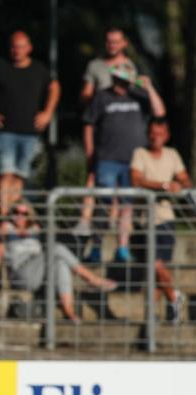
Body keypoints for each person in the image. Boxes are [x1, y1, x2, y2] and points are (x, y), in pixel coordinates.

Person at [0, 31, 60, 215]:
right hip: (5, 130)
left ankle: (13, 215)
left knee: (20, 175)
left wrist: (48, 112)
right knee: (5, 173)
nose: (18, 50)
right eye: (15, 47)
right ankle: (3, 216)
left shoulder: (38, 69)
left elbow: (55, 87)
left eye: (21, 47)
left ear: (29, 48)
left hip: (30, 131)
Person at [83, 66, 165, 263]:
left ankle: (122, 247)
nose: (122, 84)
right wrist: (90, 154)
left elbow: (160, 112)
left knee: (127, 206)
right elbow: (88, 125)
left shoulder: (139, 95)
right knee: (104, 204)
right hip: (107, 158)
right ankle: (96, 247)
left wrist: (149, 87)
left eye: (125, 80)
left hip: (133, 161)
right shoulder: (102, 97)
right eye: (118, 80)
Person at [0, 201, 116, 324]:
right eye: (16, 212)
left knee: (60, 262)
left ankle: (68, 311)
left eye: (24, 213)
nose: (20, 216)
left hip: (37, 274)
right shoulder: (5, 229)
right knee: (56, 248)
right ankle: (91, 278)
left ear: (29, 215)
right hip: (20, 275)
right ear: (10, 214)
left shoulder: (35, 229)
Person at [130, 118, 191, 323]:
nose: (155, 137)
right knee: (153, 268)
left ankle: (158, 313)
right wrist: (165, 185)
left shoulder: (172, 155)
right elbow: (136, 179)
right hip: (144, 221)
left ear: (166, 135)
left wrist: (180, 185)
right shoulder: (140, 153)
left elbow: (185, 179)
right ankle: (172, 299)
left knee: (156, 266)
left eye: (159, 133)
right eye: (152, 133)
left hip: (165, 219)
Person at [81, 27, 138, 105]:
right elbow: (87, 94)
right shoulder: (95, 65)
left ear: (125, 43)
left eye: (116, 42)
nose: (112, 45)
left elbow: (142, 90)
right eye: (109, 42)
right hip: (103, 111)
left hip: (128, 112)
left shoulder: (135, 65)